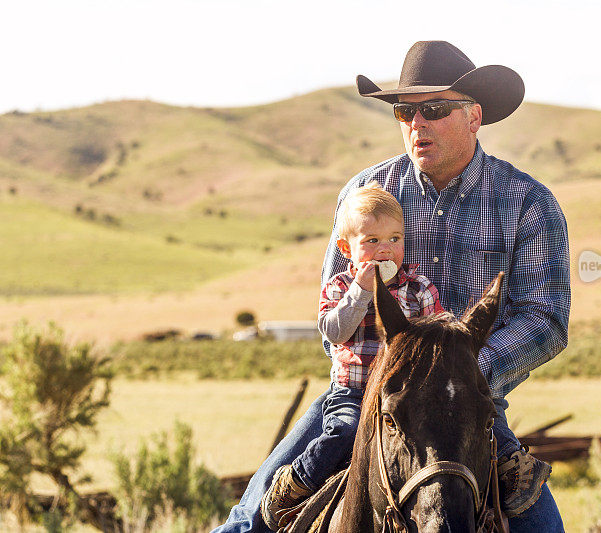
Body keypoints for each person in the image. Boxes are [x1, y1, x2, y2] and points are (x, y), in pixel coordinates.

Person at [214, 40, 570, 533]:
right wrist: (393, 376)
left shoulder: (528, 203)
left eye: (434, 109)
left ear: (474, 116)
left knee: (543, 529)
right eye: (405, 111)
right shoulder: (364, 196)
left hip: (469, 403)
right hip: (366, 395)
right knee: (249, 522)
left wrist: (458, 373)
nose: (416, 124)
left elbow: (546, 317)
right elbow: (333, 310)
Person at [261, 182, 445, 529]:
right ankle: (296, 482)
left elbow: (433, 343)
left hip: (404, 399)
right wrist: (361, 291)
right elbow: (334, 332)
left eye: (394, 239)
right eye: (372, 241)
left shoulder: (419, 288)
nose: (385, 250)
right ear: (346, 248)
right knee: (343, 432)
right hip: (354, 393)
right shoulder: (341, 287)